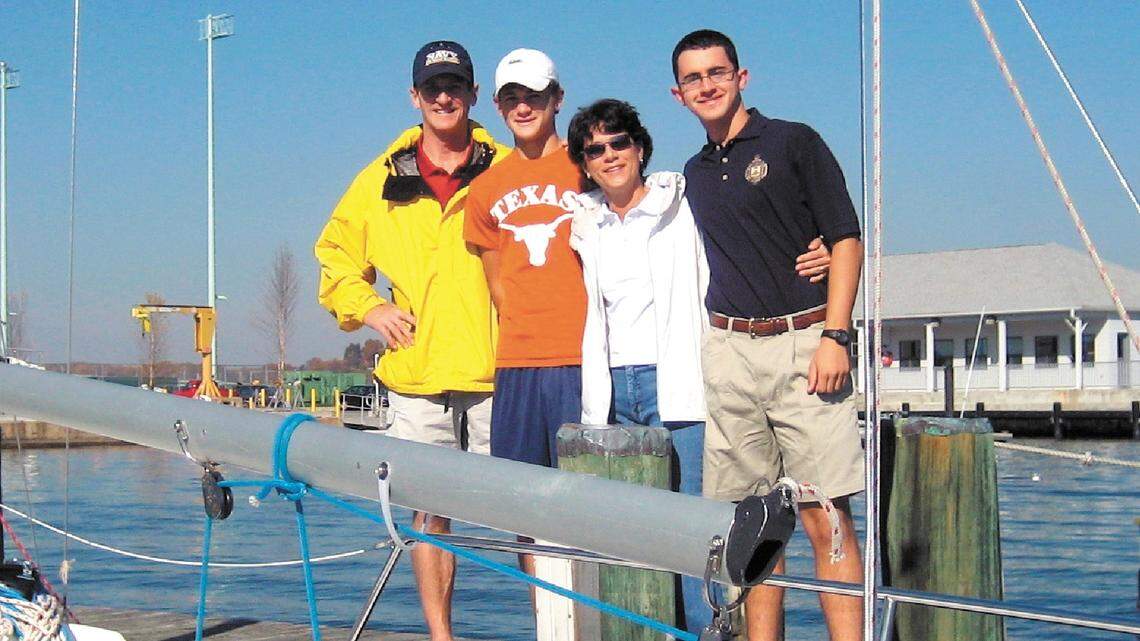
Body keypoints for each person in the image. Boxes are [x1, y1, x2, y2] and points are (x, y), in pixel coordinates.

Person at [565, 98, 831, 635]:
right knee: (632, 534)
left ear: (639, 147)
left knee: (700, 530)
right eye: (596, 149)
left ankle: (713, 631)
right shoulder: (582, 220)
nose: (610, 155)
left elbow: (749, 229)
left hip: (679, 383)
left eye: (620, 143)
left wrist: (819, 247)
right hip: (613, 391)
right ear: (585, 161)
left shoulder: (681, 200)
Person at [670, 30, 867, 641]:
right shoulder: (693, 174)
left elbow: (846, 238)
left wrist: (836, 334)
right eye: (694, 78)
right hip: (729, 352)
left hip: (805, 345)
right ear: (678, 94)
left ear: (742, 76)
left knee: (824, 519)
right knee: (753, 529)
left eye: (717, 72)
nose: (707, 85)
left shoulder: (793, 142)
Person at [314, 41, 509, 641]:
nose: (444, 98)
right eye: (432, 89)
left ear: (474, 95)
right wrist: (369, 307)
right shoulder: (380, 176)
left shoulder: (509, 167)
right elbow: (334, 257)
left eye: (455, 86)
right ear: (414, 97)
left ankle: (552, 628)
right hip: (417, 377)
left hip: (500, 372)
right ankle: (440, 636)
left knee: (533, 513)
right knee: (429, 516)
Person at [464, 49, 587, 472]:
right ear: (497, 105)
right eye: (511, 97)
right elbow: (498, 285)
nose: (522, 107)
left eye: (534, 95)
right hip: (517, 364)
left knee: (584, 495)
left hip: (582, 359)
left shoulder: (591, 169)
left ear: (557, 98)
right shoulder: (484, 190)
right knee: (519, 498)